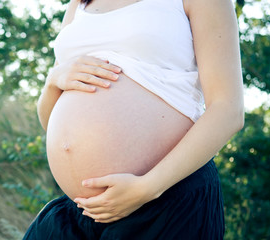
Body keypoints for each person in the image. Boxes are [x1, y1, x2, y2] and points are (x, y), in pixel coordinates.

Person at [23, 0, 244, 239]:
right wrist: (53, 80)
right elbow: (49, 122)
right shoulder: (79, 4)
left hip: (166, 200)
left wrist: (148, 188)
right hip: (80, 212)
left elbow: (227, 110)